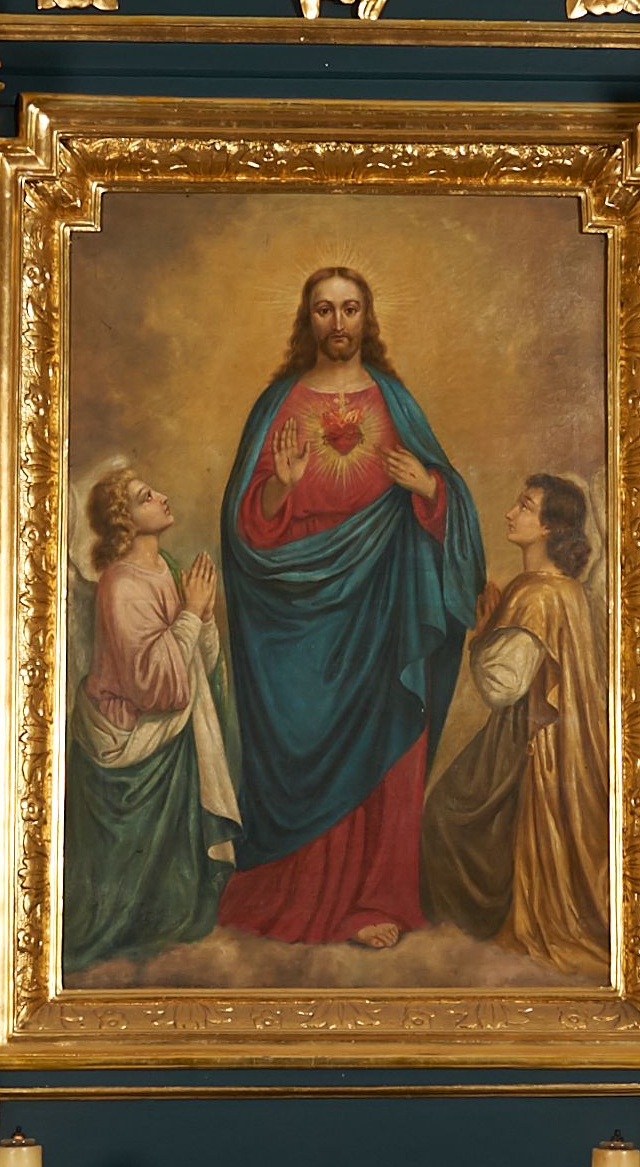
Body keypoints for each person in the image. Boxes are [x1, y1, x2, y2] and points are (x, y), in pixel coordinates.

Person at [217, 268, 483, 954]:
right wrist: (280, 487)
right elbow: (246, 530)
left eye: (350, 308)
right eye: (324, 310)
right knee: (304, 746)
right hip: (299, 612)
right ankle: (298, 896)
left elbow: (447, 501)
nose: (338, 323)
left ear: (367, 317)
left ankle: (377, 898)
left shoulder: (395, 400)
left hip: (386, 601)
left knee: (389, 744)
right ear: (307, 320)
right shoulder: (278, 403)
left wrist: (429, 487)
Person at [421, 474, 609, 974]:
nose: (511, 513)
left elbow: (503, 687)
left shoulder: (537, 596)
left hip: (529, 741)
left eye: (525, 506)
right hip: (553, 737)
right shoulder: (563, 590)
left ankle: (469, 928)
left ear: (549, 527)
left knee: (444, 812)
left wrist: (482, 637)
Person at [63, 468, 240, 978]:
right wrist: (191, 613)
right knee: (124, 915)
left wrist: (203, 616)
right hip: (128, 741)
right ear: (125, 520)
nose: (162, 497)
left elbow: (201, 666)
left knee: (181, 906)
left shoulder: (169, 567)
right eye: (146, 497)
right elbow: (153, 687)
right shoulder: (119, 585)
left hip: (173, 737)